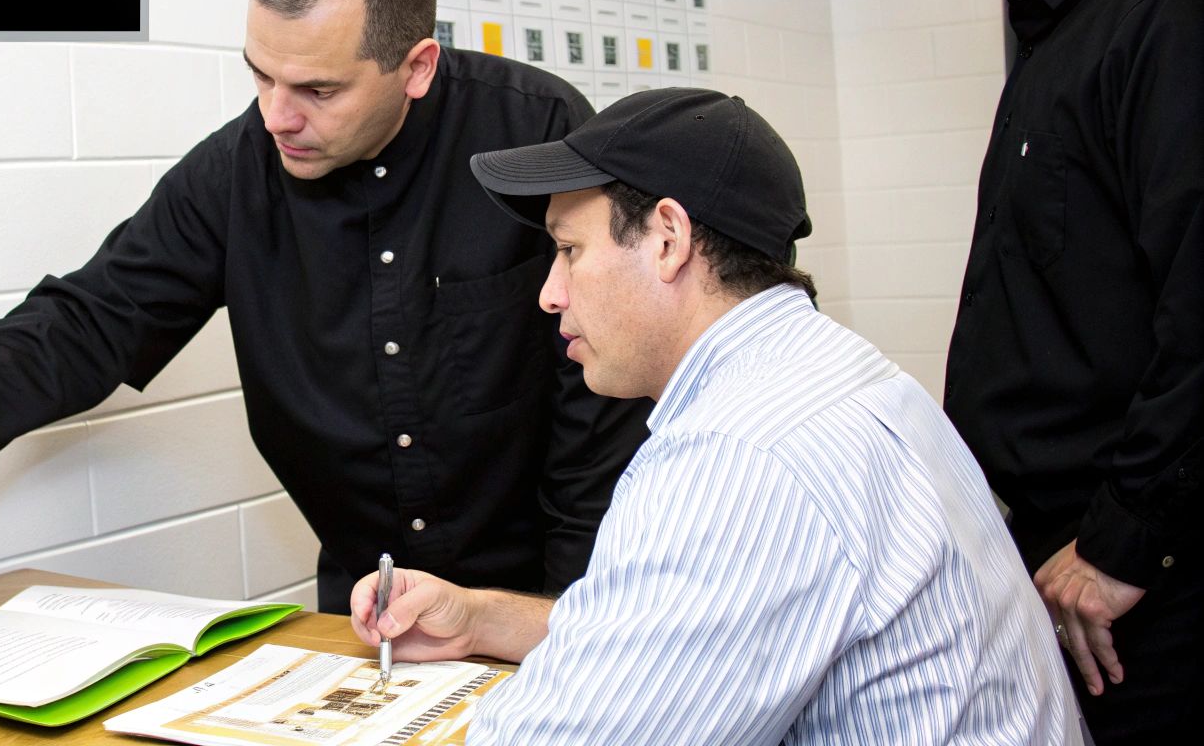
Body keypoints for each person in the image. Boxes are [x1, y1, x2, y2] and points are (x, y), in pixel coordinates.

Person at [0, 0, 653, 612]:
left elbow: (601, 408)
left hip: (558, 599)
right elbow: (91, 319)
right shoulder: (236, 173)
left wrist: (562, 626)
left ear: (416, 67)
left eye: (318, 89)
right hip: (367, 614)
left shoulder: (537, 135)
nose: (277, 116)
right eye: (260, 74)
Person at [350, 87, 1080, 744]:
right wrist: (479, 618)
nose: (550, 293)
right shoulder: (838, 374)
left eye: (569, 250)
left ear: (668, 239)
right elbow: (664, 640)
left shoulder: (740, 453)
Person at [885, 0, 1204, 737]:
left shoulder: (1172, 1)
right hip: (1056, 560)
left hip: (1141, 584)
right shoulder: (1055, 17)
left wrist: (1124, 541)